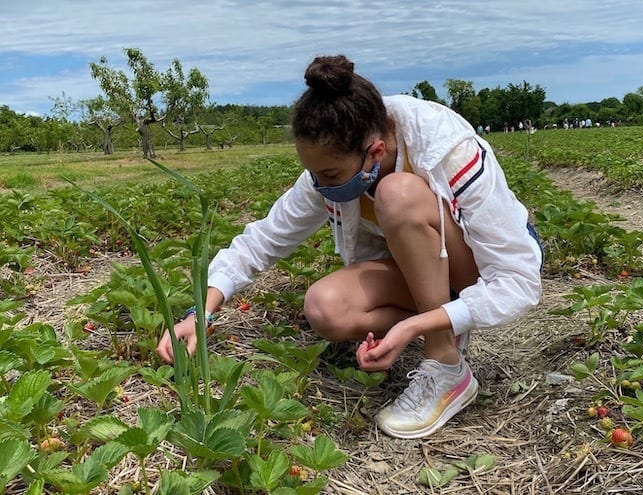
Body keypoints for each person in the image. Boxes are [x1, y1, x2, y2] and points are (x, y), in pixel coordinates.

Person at [156, 55, 543, 439]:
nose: (320, 185)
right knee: (326, 308)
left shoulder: (445, 147)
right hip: (422, 269)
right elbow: (263, 240)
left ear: (375, 152)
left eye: (329, 175)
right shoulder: (334, 161)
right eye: (313, 172)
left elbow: (519, 280)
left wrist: (416, 326)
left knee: (396, 195)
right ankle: (447, 317)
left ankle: (445, 364)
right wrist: (201, 312)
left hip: (473, 263)